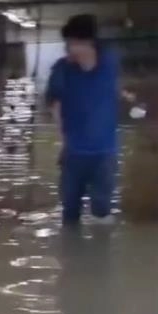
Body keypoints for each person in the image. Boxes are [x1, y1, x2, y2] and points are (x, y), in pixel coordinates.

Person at [46, 14, 135, 226]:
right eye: (67, 43)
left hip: (105, 153)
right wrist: (64, 141)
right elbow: (54, 105)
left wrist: (124, 95)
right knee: (69, 212)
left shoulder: (109, 62)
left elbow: (113, 86)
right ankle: (71, 255)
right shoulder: (62, 70)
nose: (67, 48)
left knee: (102, 212)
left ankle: (101, 255)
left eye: (71, 43)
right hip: (74, 153)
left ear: (87, 43)